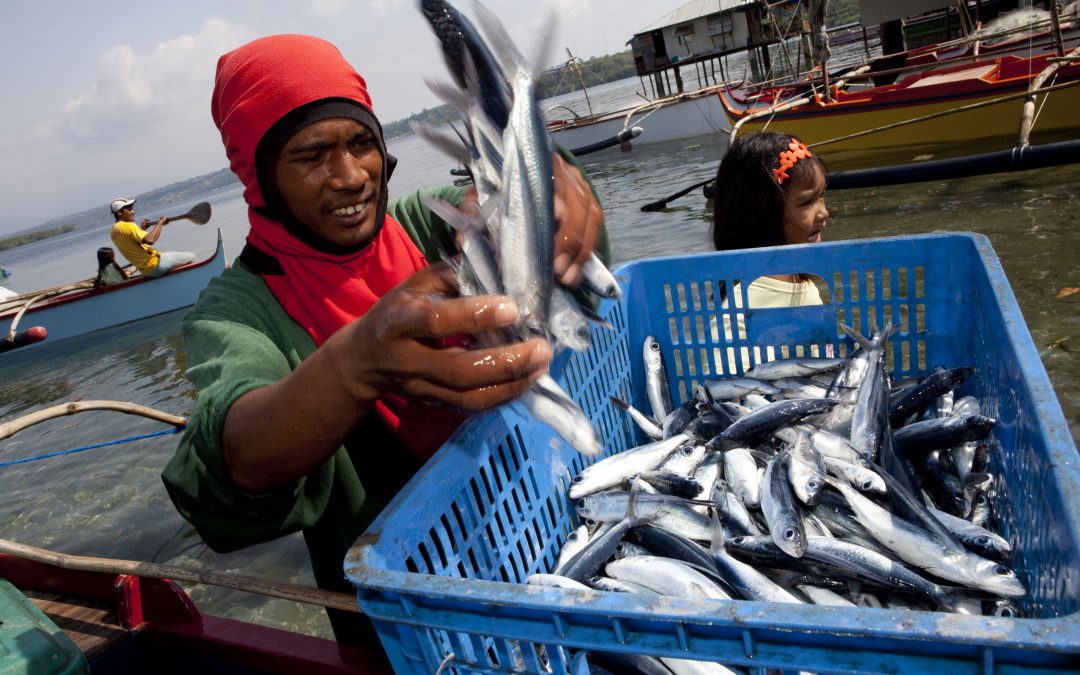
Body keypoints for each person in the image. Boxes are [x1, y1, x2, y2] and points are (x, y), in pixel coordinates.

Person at [161, 34, 606, 645]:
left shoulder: (427, 221)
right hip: (403, 628)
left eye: (362, 143)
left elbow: (525, 222)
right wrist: (352, 368)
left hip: (547, 547)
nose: (350, 177)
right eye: (312, 155)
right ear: (259, 178)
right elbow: (229, 463)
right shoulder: (237, 309)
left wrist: (551, 191)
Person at [709, 131, 830, 366]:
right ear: (763, 214)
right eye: (806, 202)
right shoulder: (741, 304)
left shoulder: (800, 280)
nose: (824, 213)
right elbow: (724, 386)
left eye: (821, 197)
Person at [109, 198, 197, 277]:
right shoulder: (128, 225)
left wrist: (142, 229)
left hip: (146, 270)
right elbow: (150, 240)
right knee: (192, 256)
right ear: (119, 212)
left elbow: (133, 242)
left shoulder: (113, 230)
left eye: (132, 208)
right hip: (155, 265)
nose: (132, 212)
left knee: (169, 253)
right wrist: (160, 223)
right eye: (128, 209)